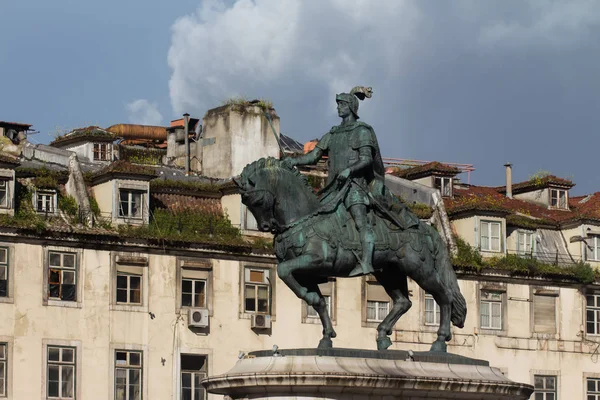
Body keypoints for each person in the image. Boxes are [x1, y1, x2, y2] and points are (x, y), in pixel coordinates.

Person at [283, 86, 383, 277]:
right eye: (338, 104)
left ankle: (367, 262)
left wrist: (349, 170)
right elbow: (313, 156)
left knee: (360, 221)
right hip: (333, 189)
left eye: (342, 104)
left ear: (351, 107)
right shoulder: (332, 134)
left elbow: (366, 159)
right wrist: (293, 160)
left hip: (355, 187)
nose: (338, 108)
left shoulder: (363, 131)